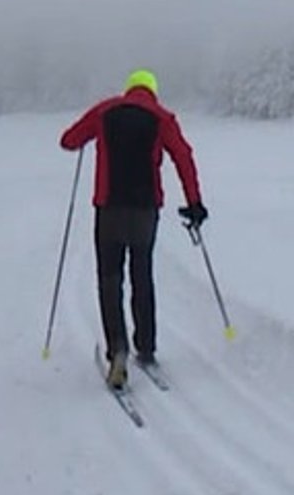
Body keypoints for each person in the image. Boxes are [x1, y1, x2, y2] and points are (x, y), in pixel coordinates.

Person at [59, 68, 206, 389]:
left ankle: (118, 350)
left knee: (110, 279)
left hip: (109, 209)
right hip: (145, 211)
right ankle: (147, 347)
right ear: (152, 91)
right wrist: (194, 203)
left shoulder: (105, 110)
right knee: (143, 275)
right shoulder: (162, 117)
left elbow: (68, 141)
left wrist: (84, 140)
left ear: (129, 89)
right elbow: (184, 157)